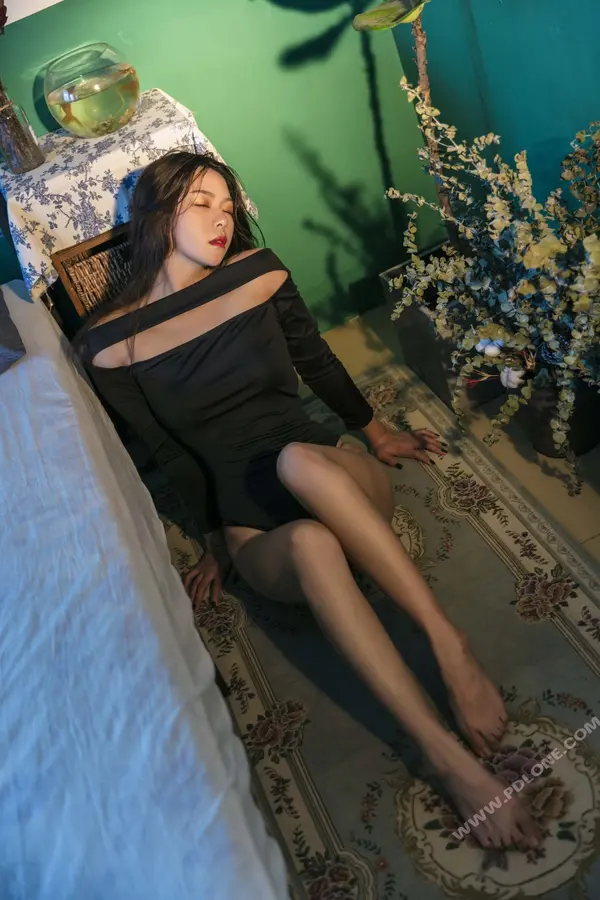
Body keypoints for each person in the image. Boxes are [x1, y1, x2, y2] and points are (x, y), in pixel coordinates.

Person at [77, 150, 540, 851]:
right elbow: (169, 455)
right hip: (260, 532)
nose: (221, 219)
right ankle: (444, 756)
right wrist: (213, 541)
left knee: (297, 459)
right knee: (313, 542)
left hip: (331, 475)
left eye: (228, 205)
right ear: (156, 214)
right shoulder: (110, 345)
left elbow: (314, 357)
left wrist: (373, 432)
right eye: (200, 203)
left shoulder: (259, 274)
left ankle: (450, 646)